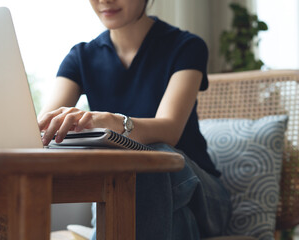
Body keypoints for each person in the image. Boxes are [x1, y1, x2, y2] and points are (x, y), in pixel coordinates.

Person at [38, 0, 231, 239]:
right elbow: (45, 126)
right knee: (175, 221)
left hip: (202, 197)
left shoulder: (187, 46)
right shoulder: (81, 56)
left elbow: (170, 129)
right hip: (139, 198)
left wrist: (111, 121)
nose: (104, 0)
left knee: (149, 156)